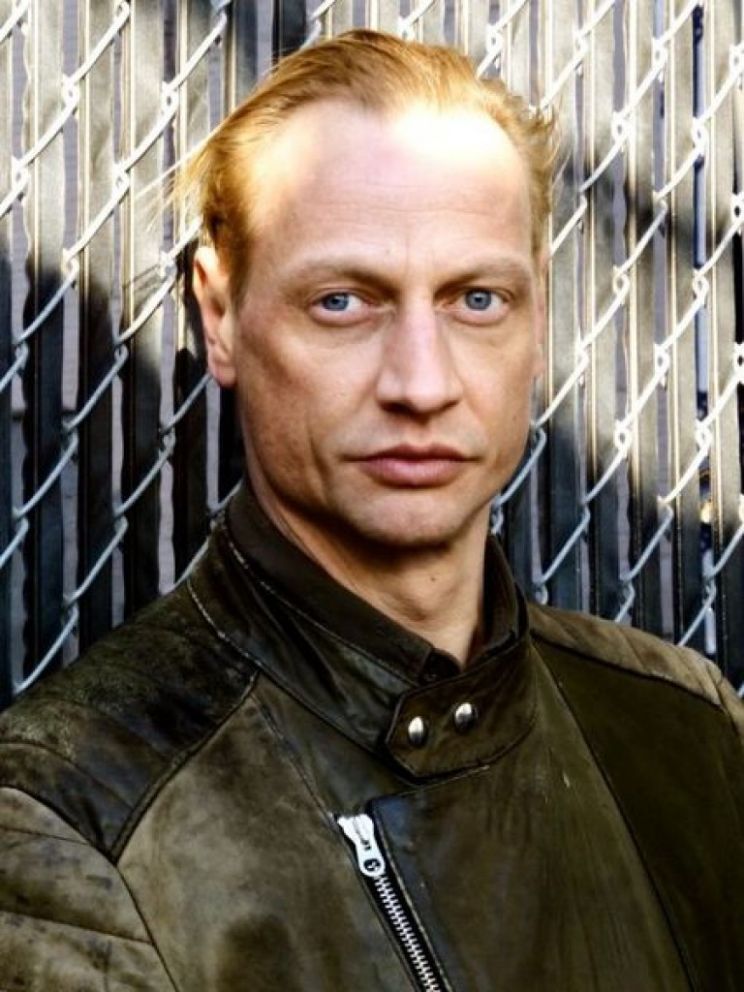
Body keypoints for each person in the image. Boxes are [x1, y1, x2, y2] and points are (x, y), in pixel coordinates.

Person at [1, 29, 743, 992]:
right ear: (220, 314)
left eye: (477, 299)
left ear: (539, 313)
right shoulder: (71, 821)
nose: (422, 384)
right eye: (343, 302)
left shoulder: (686, 728)